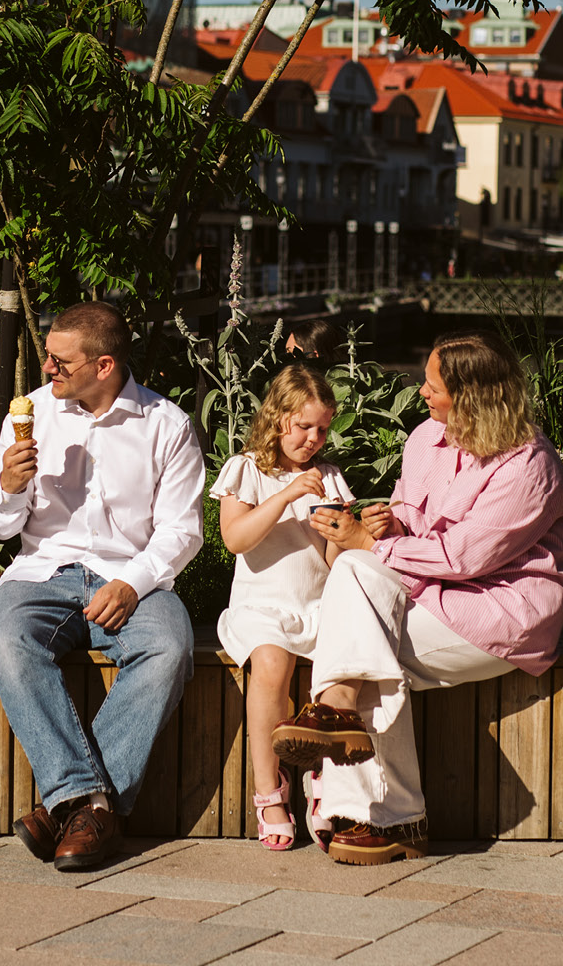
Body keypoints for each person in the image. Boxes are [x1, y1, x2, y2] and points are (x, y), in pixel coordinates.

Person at [272, 329, 563, 865]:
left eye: (433, 385)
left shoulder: (530, 465)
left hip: (498, 615)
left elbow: (466, 557)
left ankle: (375, 802)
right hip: (425, 594)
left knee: (361, 628)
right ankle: (356, 750)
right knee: (362, 619)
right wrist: (385, 526)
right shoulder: (424, 438)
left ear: (472, 395)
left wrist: (371, 546)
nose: (422, 392)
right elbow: (409, 520)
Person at [0, 301, 203, 871]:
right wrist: (9, 487)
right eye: (48, 357)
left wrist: (132, 583)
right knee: (7, 643)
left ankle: (66, 806)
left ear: (104, 365)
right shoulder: (34, 414)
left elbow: (182, 531)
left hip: (130, 573)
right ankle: (91, 804)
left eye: (61, 361)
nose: (47, 368)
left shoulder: (166, 424)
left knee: (169, 647)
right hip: (42, 571)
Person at [213, 362, 353, 850]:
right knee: (272, 664)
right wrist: (288, 493)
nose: (313, 439)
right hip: (262, 607)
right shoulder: (247, 469)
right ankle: (269, 791)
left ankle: (327, 783)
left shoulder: (329, 477)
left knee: (342, 670)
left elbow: (333, 561)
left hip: (316, 606)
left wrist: (345, 532)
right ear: (277, 418)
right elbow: (236, 539)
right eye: (304, 426)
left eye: (322, 430)